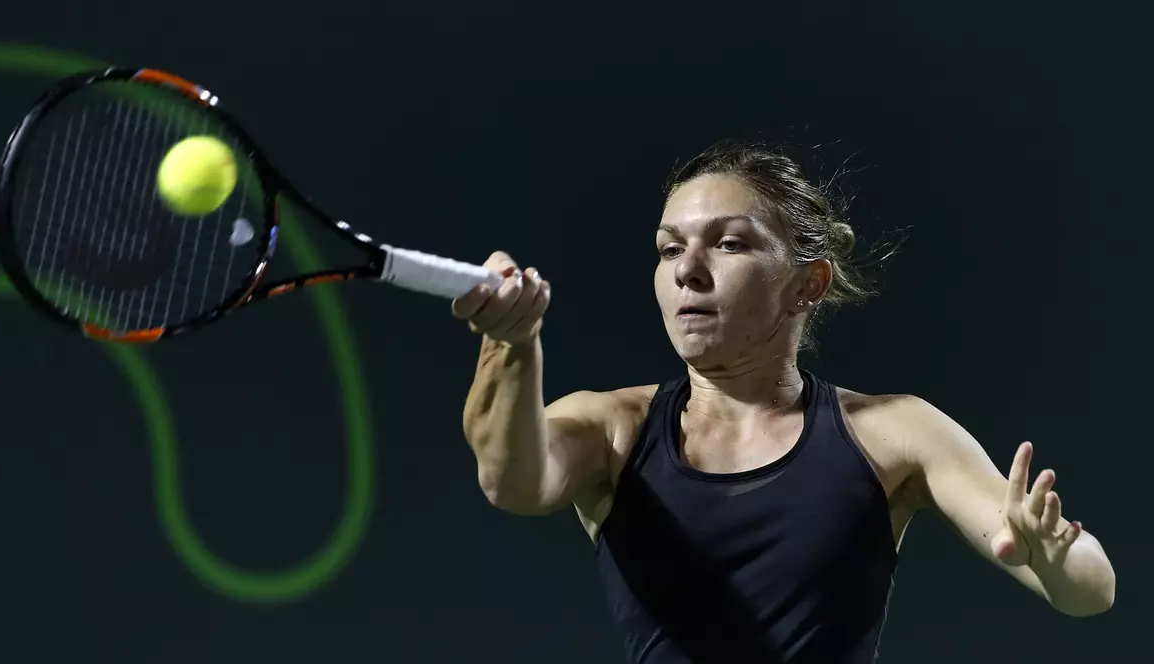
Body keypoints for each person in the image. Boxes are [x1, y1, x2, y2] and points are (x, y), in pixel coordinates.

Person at [452, 140, 1116, 663]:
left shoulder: (894, 431)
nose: (686, 269)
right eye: (669, 248)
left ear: (808, 284)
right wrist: (511, 343)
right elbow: (511, 480)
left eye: (729, 243)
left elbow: (1091, 590)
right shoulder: (611, 428)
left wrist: (1053, 554)